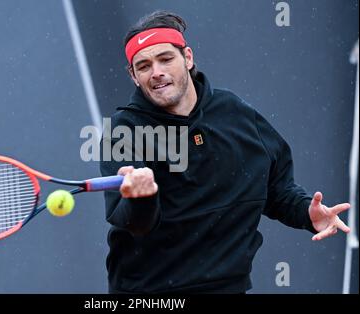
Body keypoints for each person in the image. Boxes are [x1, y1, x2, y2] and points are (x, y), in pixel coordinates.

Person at [99, 11, 351, 294]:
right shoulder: (123, 130)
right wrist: (141, 198)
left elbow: (276, 189)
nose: (156, 72)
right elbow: (134, 222)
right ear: (134, 76)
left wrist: (306, 212)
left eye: (165, 59)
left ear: (188, 58)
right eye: (143, 66)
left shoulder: (236, 114)